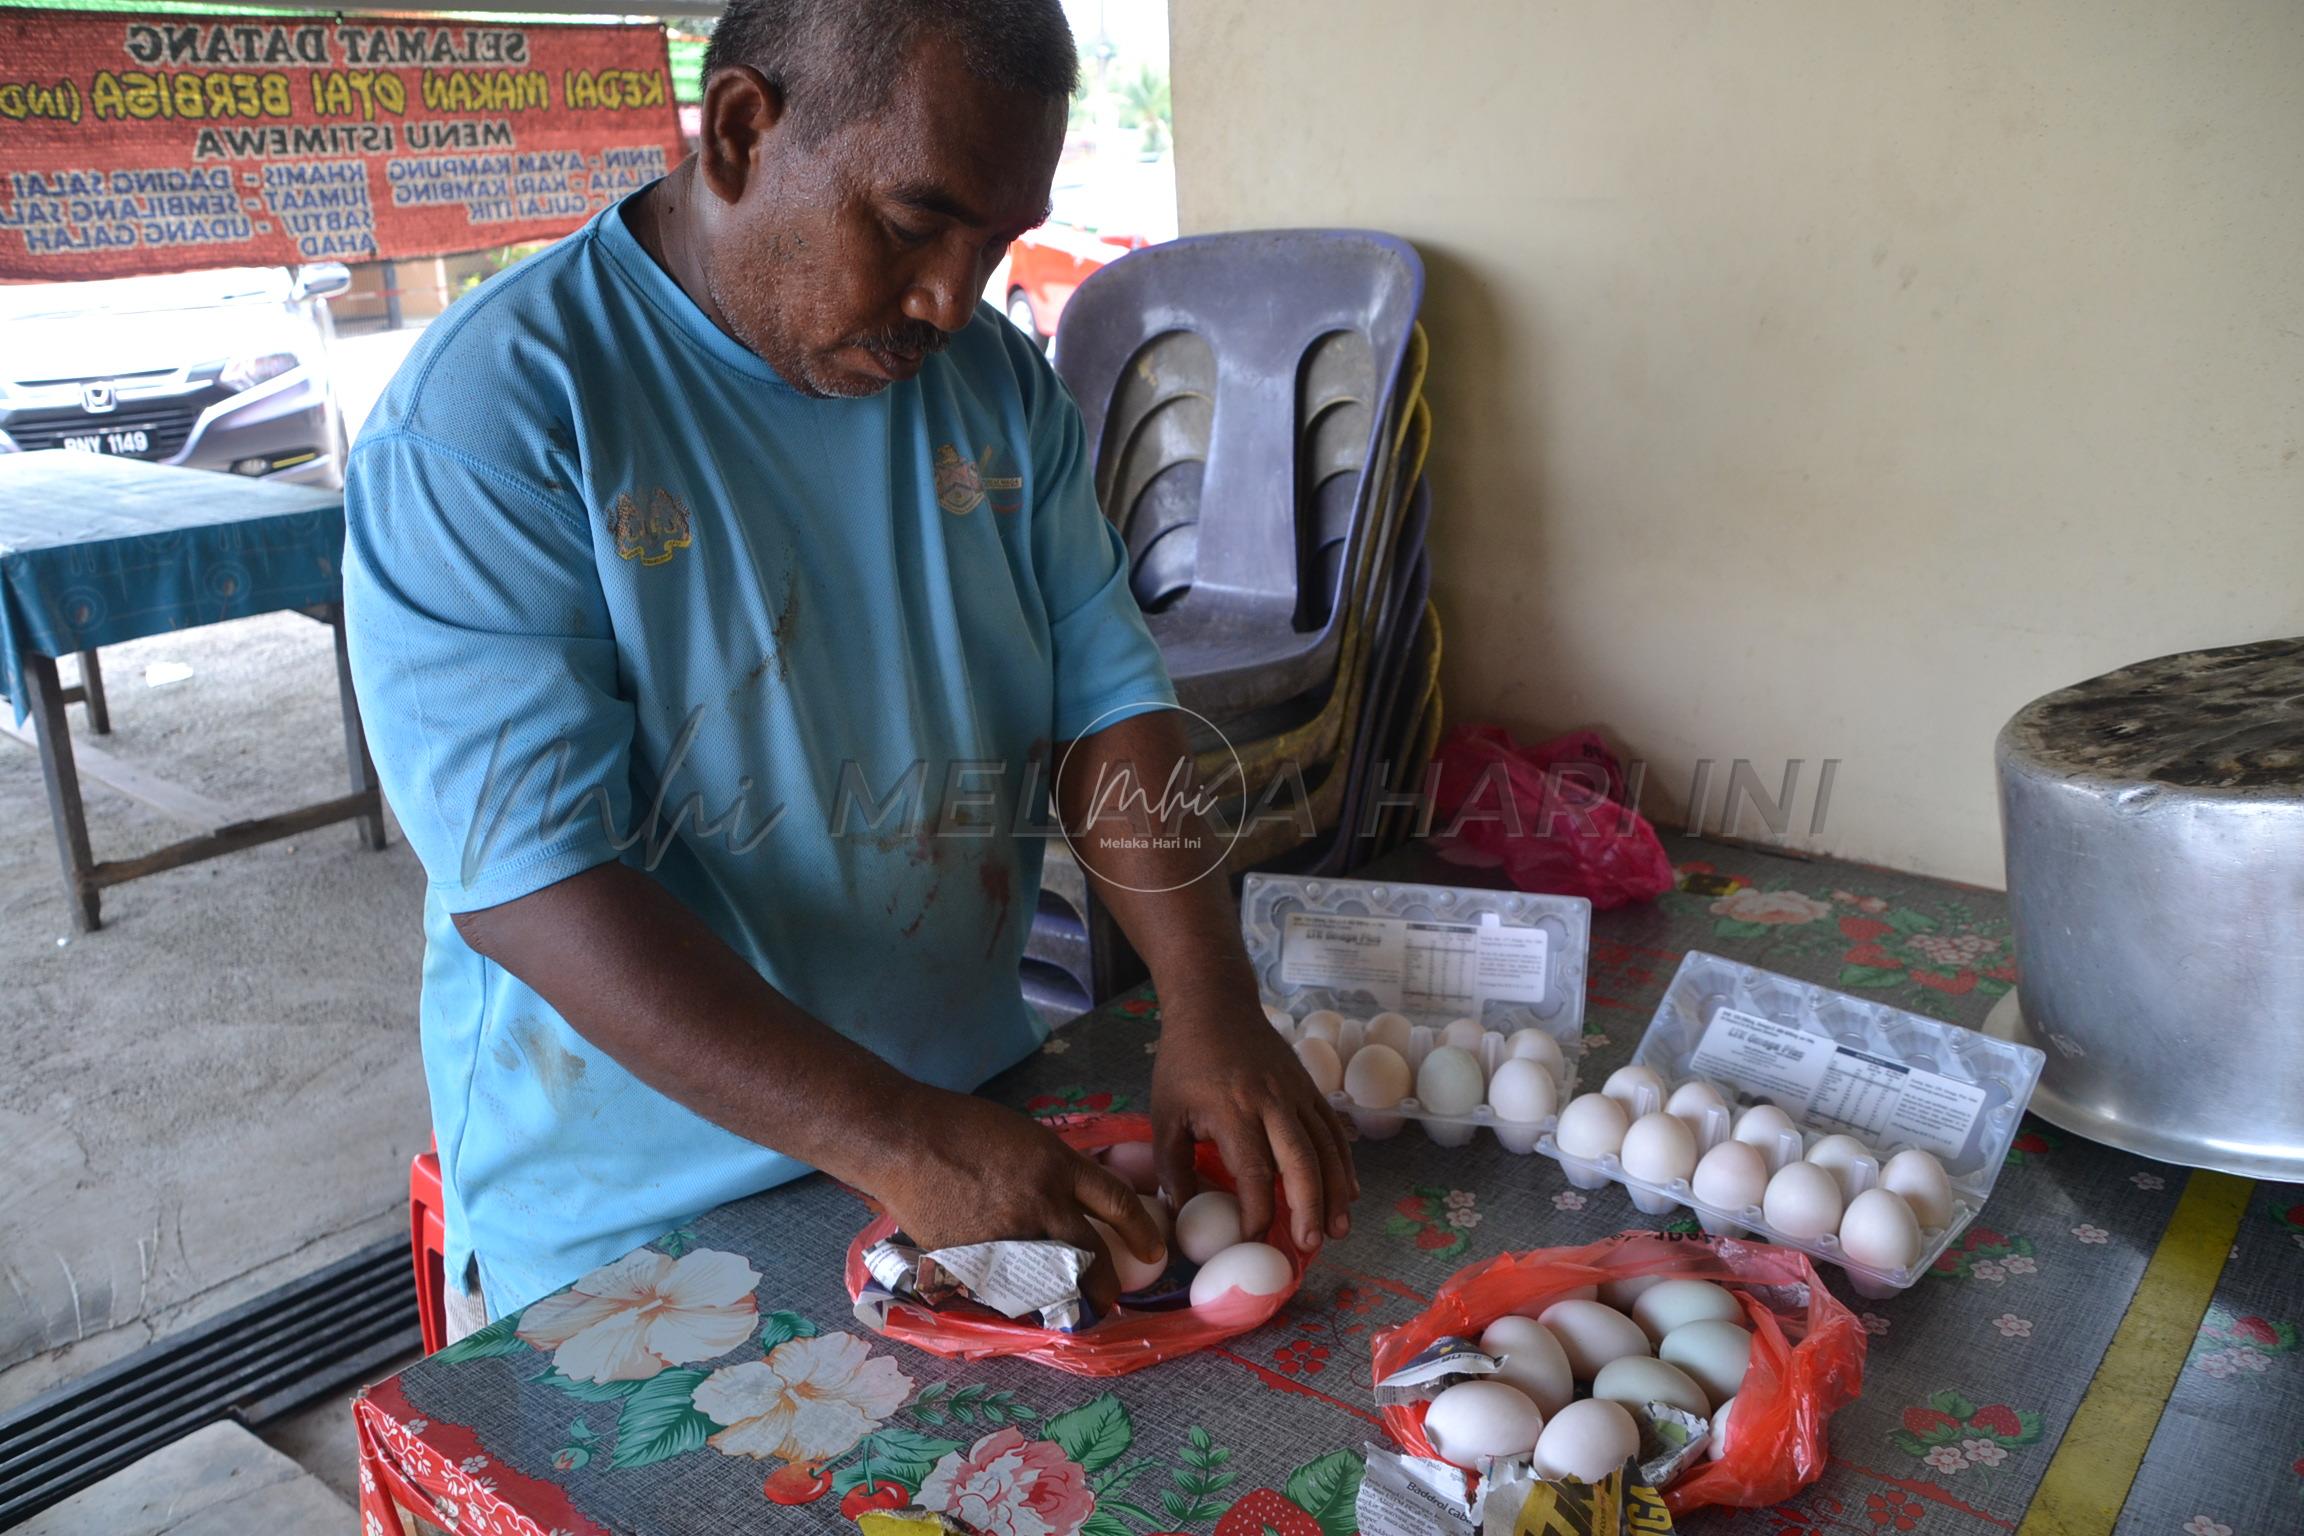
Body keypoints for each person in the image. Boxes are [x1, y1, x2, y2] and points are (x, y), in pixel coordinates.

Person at [344, 0, 1354, 1334]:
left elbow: (1110, 704)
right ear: (743, 128)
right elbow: (535, 881)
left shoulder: (993, 388)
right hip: (639, 1232)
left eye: (996, 243)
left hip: (969, 1124)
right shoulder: (498, 419)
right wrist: (895, 1142)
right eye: (914, 222)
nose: (953, 296)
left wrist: (1208, 998)